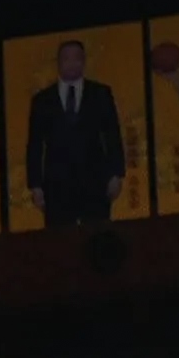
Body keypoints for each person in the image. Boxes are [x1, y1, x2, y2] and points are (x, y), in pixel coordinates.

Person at [22, 35, 129, 225]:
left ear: (84, 61)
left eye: (77, 58)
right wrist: (36, 186)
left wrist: (116, 174)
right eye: (66, 59)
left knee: (97, 237)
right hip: (57, 184)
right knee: (60, 242)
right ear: (59, 63)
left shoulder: (100, 93)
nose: (72, 64)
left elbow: (112, 134)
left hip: (95, 180)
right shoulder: (42, 100)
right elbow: (35, 145)